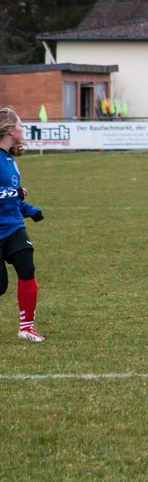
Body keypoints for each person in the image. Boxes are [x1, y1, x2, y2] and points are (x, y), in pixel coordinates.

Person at [0, 108, 46, 342]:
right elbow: (9, 193)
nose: (22, 129)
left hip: (14, 226)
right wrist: (14, 192)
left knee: (27, 270)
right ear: (9, 130)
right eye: (19, 125)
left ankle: (26, 327)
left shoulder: (10, 159)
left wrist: (29, 210)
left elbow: (13, 197)